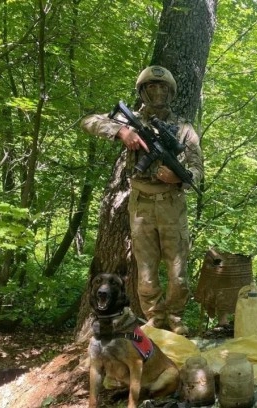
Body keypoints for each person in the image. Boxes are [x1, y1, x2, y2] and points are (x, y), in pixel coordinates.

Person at [81, 65, 204, 335]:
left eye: (162, 88)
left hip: (172, 203)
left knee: (178, 273)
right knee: (146, 274)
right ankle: (155, 320)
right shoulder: (129, 121)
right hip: (142, 204)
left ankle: (174, 319)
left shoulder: (184, 128)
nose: (157, 92)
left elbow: (196, 170)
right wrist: (120, 132)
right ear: (142, 91)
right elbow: (89, 121)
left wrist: (178, 178)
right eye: (151, 87)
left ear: (170, 93)